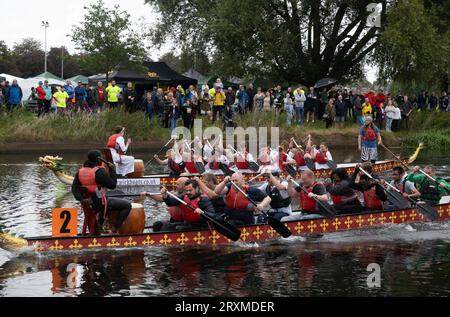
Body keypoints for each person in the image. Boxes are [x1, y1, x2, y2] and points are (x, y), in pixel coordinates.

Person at [71, 150, 131, 233]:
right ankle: (115, 229)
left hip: (87, 204)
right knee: (127, 205)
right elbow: (113, 185)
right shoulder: (99, 172)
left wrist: (82, 199)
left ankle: (100, 225)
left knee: (108, 200)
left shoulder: (79, 172)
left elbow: (74, 188)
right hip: (99, 204)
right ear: (99, 159)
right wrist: (112, 170)